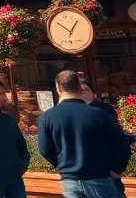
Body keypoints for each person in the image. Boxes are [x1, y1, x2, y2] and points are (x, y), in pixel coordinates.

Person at [37, 70, 132, 198]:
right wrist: (117, 169)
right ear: (79, 88)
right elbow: (121, 144)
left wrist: (62, 165)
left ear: (58, 89)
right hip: (100, 177)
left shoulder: (46, 117)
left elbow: (45, 149)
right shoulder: (98, 114)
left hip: (70, 180)